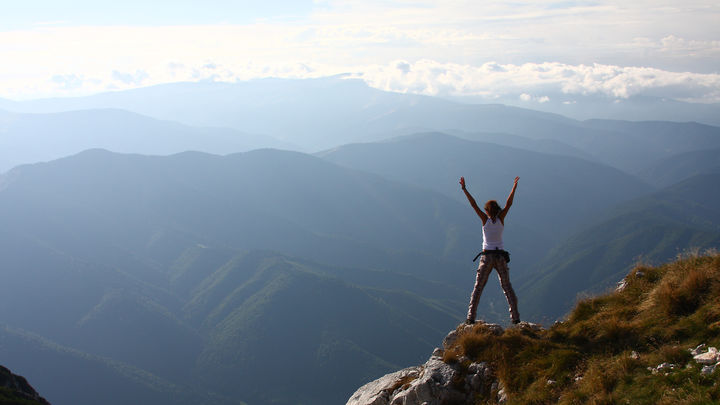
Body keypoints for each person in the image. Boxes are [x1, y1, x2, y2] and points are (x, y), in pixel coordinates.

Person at [460, 176, 520, 325]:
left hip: (487, 256)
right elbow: (509, 203)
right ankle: (516, 318)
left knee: (478, 288)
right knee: (507, 287)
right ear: (497, 210)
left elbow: (473, 204)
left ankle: (470, 318)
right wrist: (514, 187)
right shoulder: (501, 219)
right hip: (500, 256)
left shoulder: (485, 220)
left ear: (487, 211)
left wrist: (464, 189)